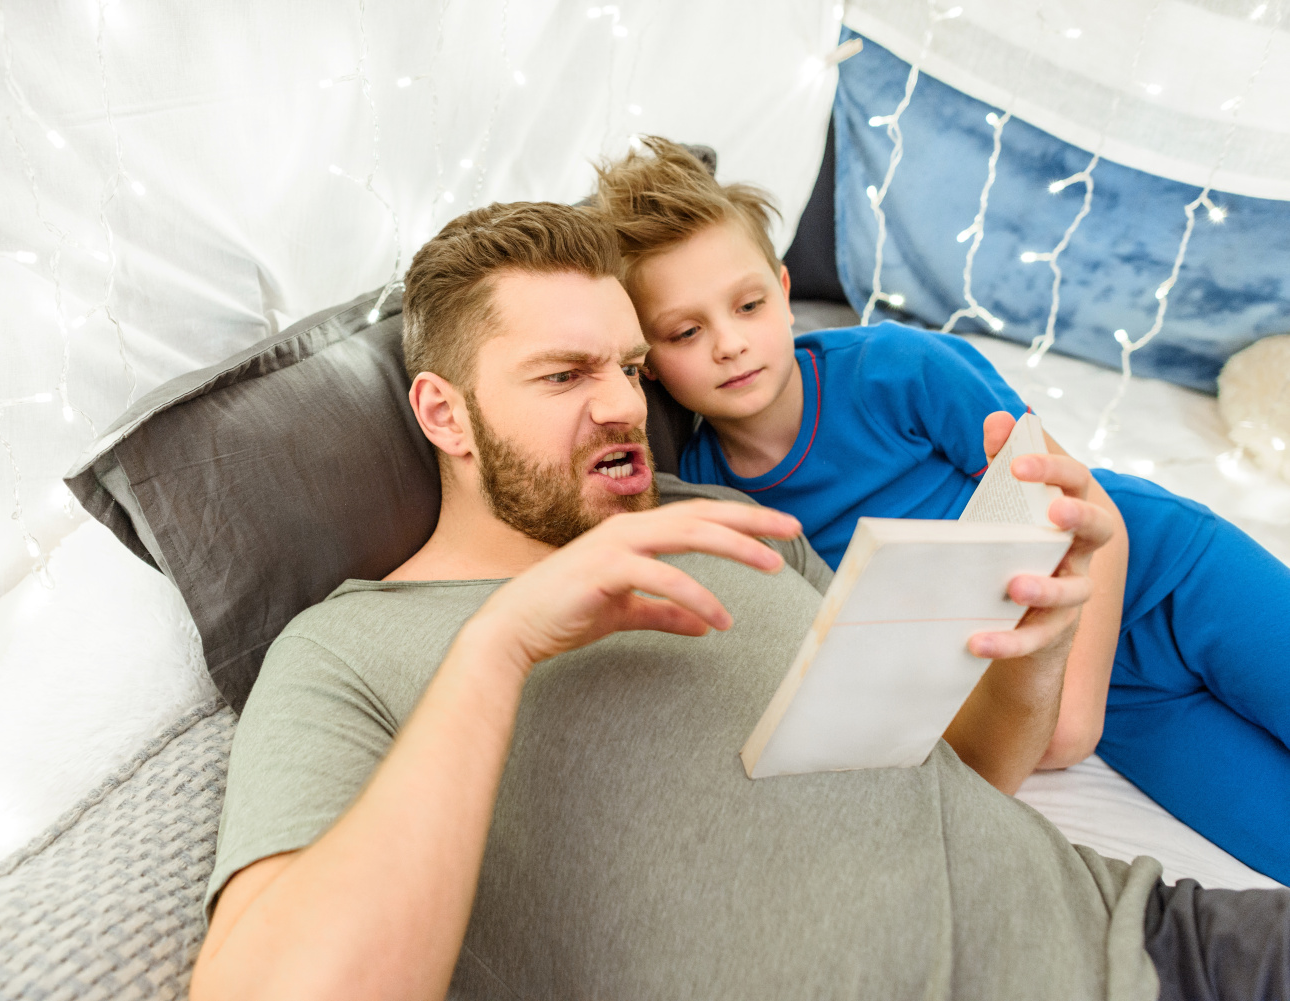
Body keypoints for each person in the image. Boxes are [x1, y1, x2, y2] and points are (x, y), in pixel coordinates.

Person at [189, 201, 1287, 1001]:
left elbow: (961, 778)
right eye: (566, 376)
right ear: (443, 412)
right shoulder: (340, 650)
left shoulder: (719, 514)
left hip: (1154, 938)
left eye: (627, 367)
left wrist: (1041, 639)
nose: (622, 405)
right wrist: (503, 640)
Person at [590, 136, 1290, 885]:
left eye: (749, 305)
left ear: (785, 290)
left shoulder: (899, 369)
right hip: (1117, 700)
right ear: (646, 359)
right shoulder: (708, 496)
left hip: (1163, 574)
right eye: (687, 332)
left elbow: (1090, 511)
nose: (730, 343)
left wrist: (1070, 720)